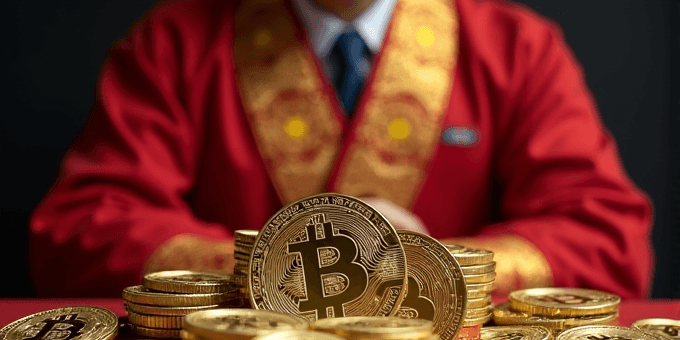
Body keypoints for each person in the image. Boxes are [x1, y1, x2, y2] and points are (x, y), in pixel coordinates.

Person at [29, 0, 653, 300]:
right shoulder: (172, 44)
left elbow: (605, 237)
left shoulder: (517, 47)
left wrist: (426, 267)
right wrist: (279, 264)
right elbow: (83, 226)